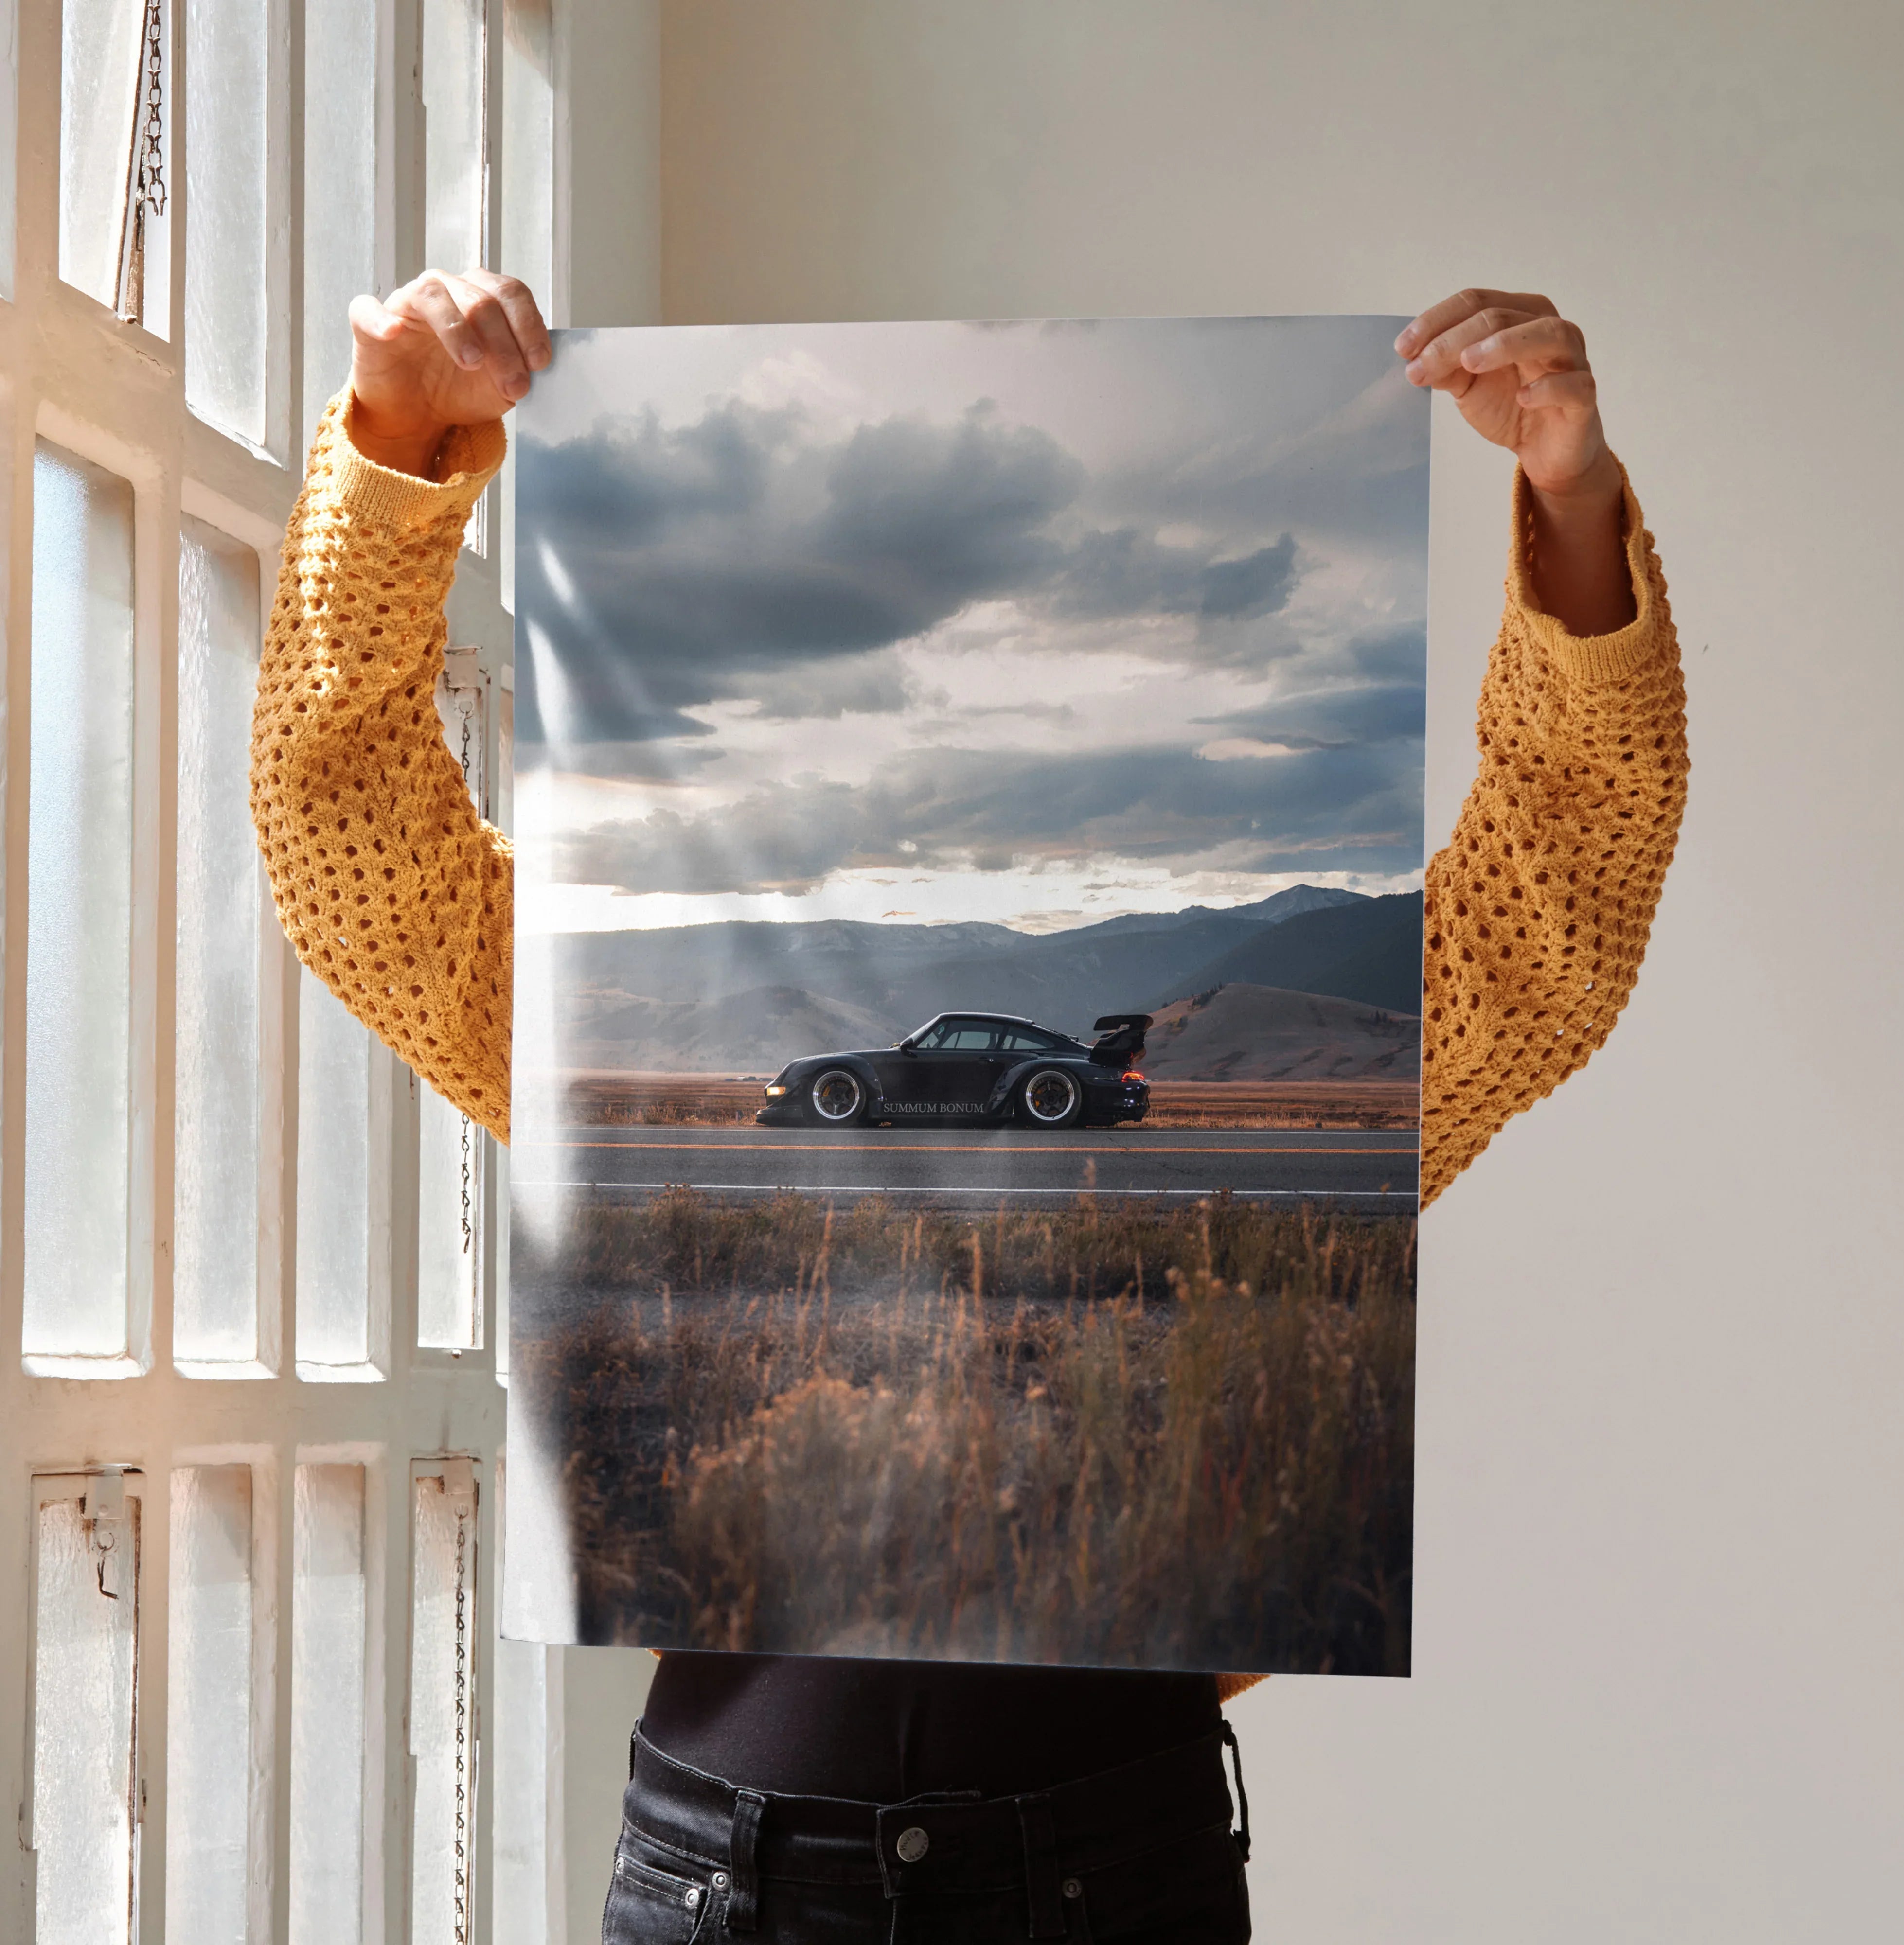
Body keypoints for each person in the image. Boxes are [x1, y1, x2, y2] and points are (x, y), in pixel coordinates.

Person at [251, 270, 1686, 1943]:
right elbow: (351, 852)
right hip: (733, 1877)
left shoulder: (1247, 1155)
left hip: (1109, 1865)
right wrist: (394, 449)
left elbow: (1554, 917)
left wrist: (1572, 501)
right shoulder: (618, 1056)